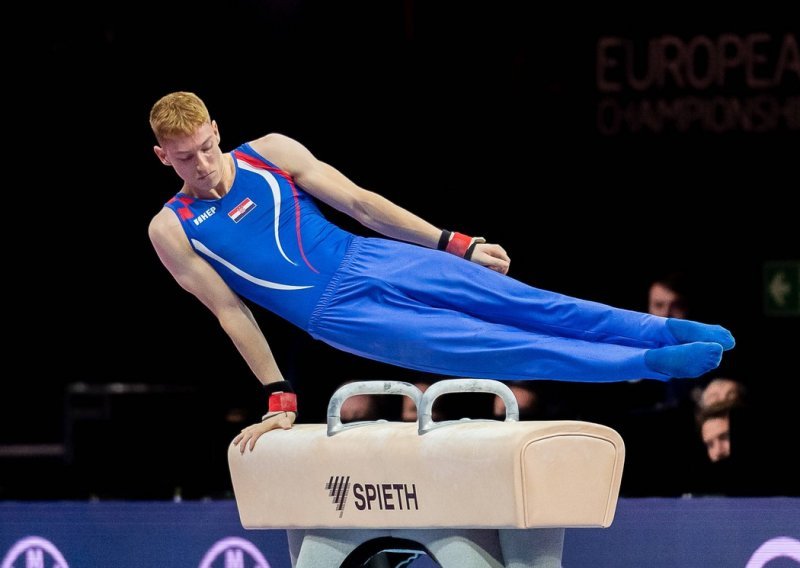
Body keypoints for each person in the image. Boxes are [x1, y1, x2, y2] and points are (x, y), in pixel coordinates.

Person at [147, 91, 735, 453]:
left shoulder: (267, 152)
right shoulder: (172, 228)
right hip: (338, 315)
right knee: (502, 348)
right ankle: (653, 365)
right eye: (183, 157)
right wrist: (279, 397)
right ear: (162, 157)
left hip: (368, 254)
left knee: (528, 303)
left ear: (216, 130)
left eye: (204, 147)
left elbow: (360, 202)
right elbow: (231, 311)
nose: (200, 165)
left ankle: (660, 331)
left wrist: (455, 243)